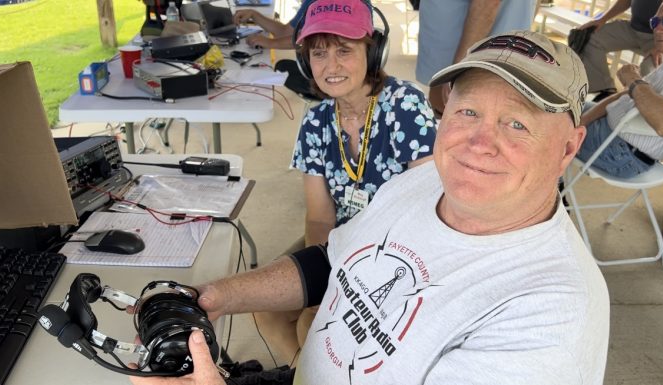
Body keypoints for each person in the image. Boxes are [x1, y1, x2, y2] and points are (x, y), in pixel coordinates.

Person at [130, 30, 610, 385]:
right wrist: (216, 297)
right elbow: (331, 259)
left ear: (569, 147)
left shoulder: (552, 313)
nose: (480, 143)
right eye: (467, 112)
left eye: (518, 125)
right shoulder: (423, 181)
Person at [256, 0, 436, 367]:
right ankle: (304, 373)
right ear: (306, 61)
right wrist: (327, 277)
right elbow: (320, 218)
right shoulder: (316, 120)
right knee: (266, 303)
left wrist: (342, 290)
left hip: (397, 248)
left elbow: (428, 209)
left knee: (313, 323)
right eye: (319, 53)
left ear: (372, 52)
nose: (331, 66)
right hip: (340, 239)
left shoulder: (405, 105)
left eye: (344, 50)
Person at [577, 0, 663, 178]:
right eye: (655, 22)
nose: (658, 29)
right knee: (558, 110)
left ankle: (549, 193)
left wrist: (633, 80)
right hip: (610, 132)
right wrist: (582, 121)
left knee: (541, 128)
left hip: (618, 151)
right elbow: (625, 95)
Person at [415, 0, 537, 114]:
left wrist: (459, 68)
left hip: (472, 63)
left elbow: (487, 3)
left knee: (460, 121)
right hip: (462, 59)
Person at [575, 0, 663, 101]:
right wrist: (602, 19)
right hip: (632, 28)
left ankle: (633, 106)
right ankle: (604, 93)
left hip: (661, 36)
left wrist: (661, 46)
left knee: (650, 68)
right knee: (588, 38)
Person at [232, 1, 315, 97]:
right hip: (314, 70)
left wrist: (270, 42)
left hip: (326, 76)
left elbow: (316, 39)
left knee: (284, 69)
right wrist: (253, 14)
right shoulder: (310, 2)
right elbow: (286, 33)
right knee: (282, 67)